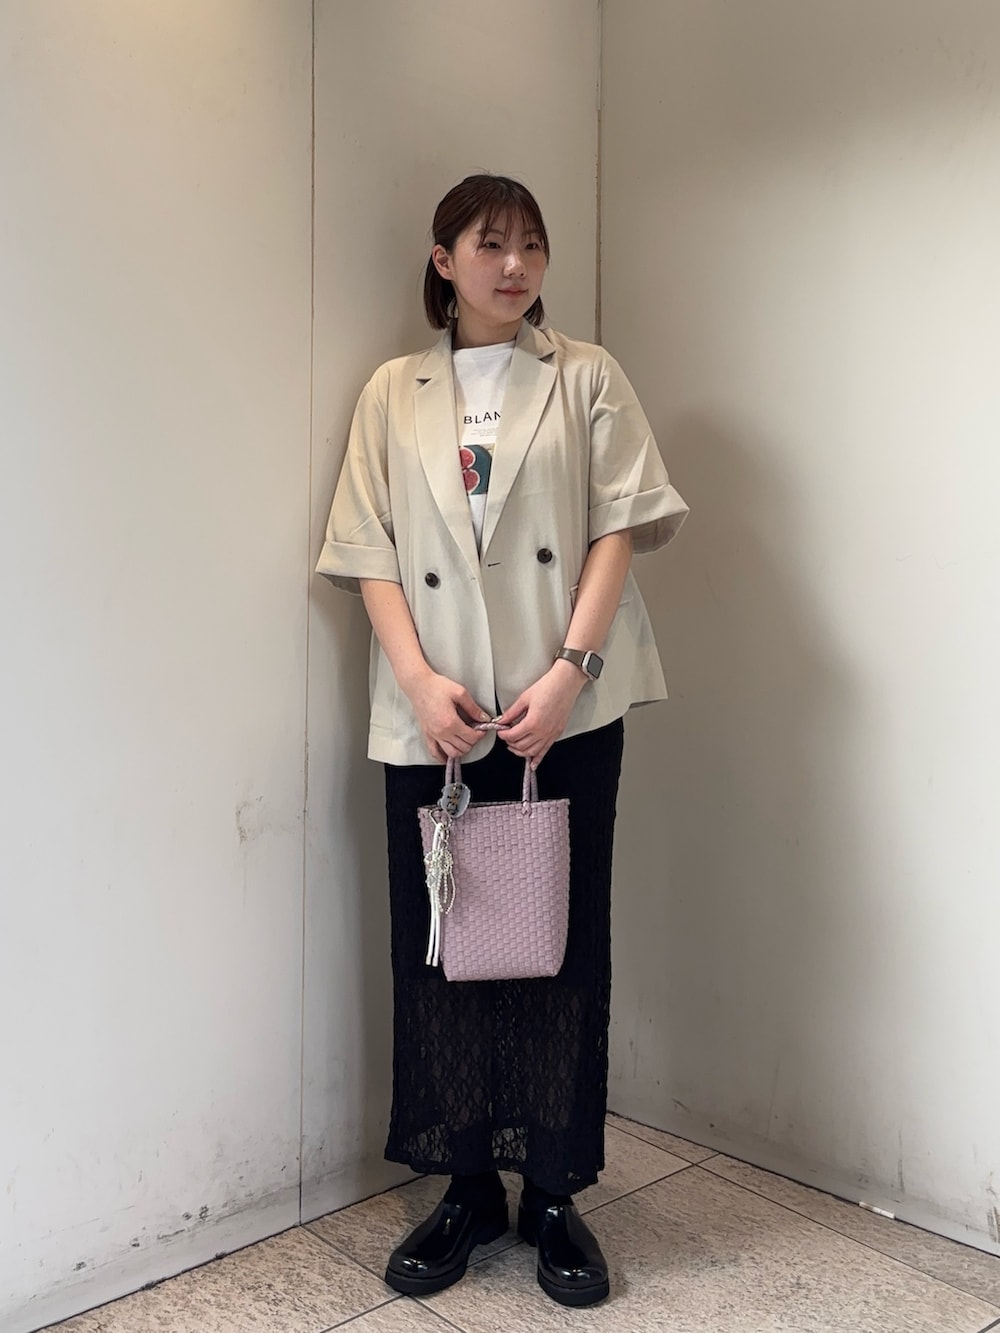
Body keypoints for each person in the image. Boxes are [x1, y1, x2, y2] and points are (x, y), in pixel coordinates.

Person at [316, 174, 688, 1307]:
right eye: (490, 243)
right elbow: (369, 546)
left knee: (561, 949)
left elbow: (620, 525)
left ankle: (558, 1191)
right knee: (440, 947)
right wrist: (418, 681)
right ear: (444, 260)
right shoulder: (394, 389)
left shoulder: (584, 374)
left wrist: (571, 671)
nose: (514, 264)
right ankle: (467, 1184)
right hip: (435, 712)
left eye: (531, 243)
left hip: (560, 705)